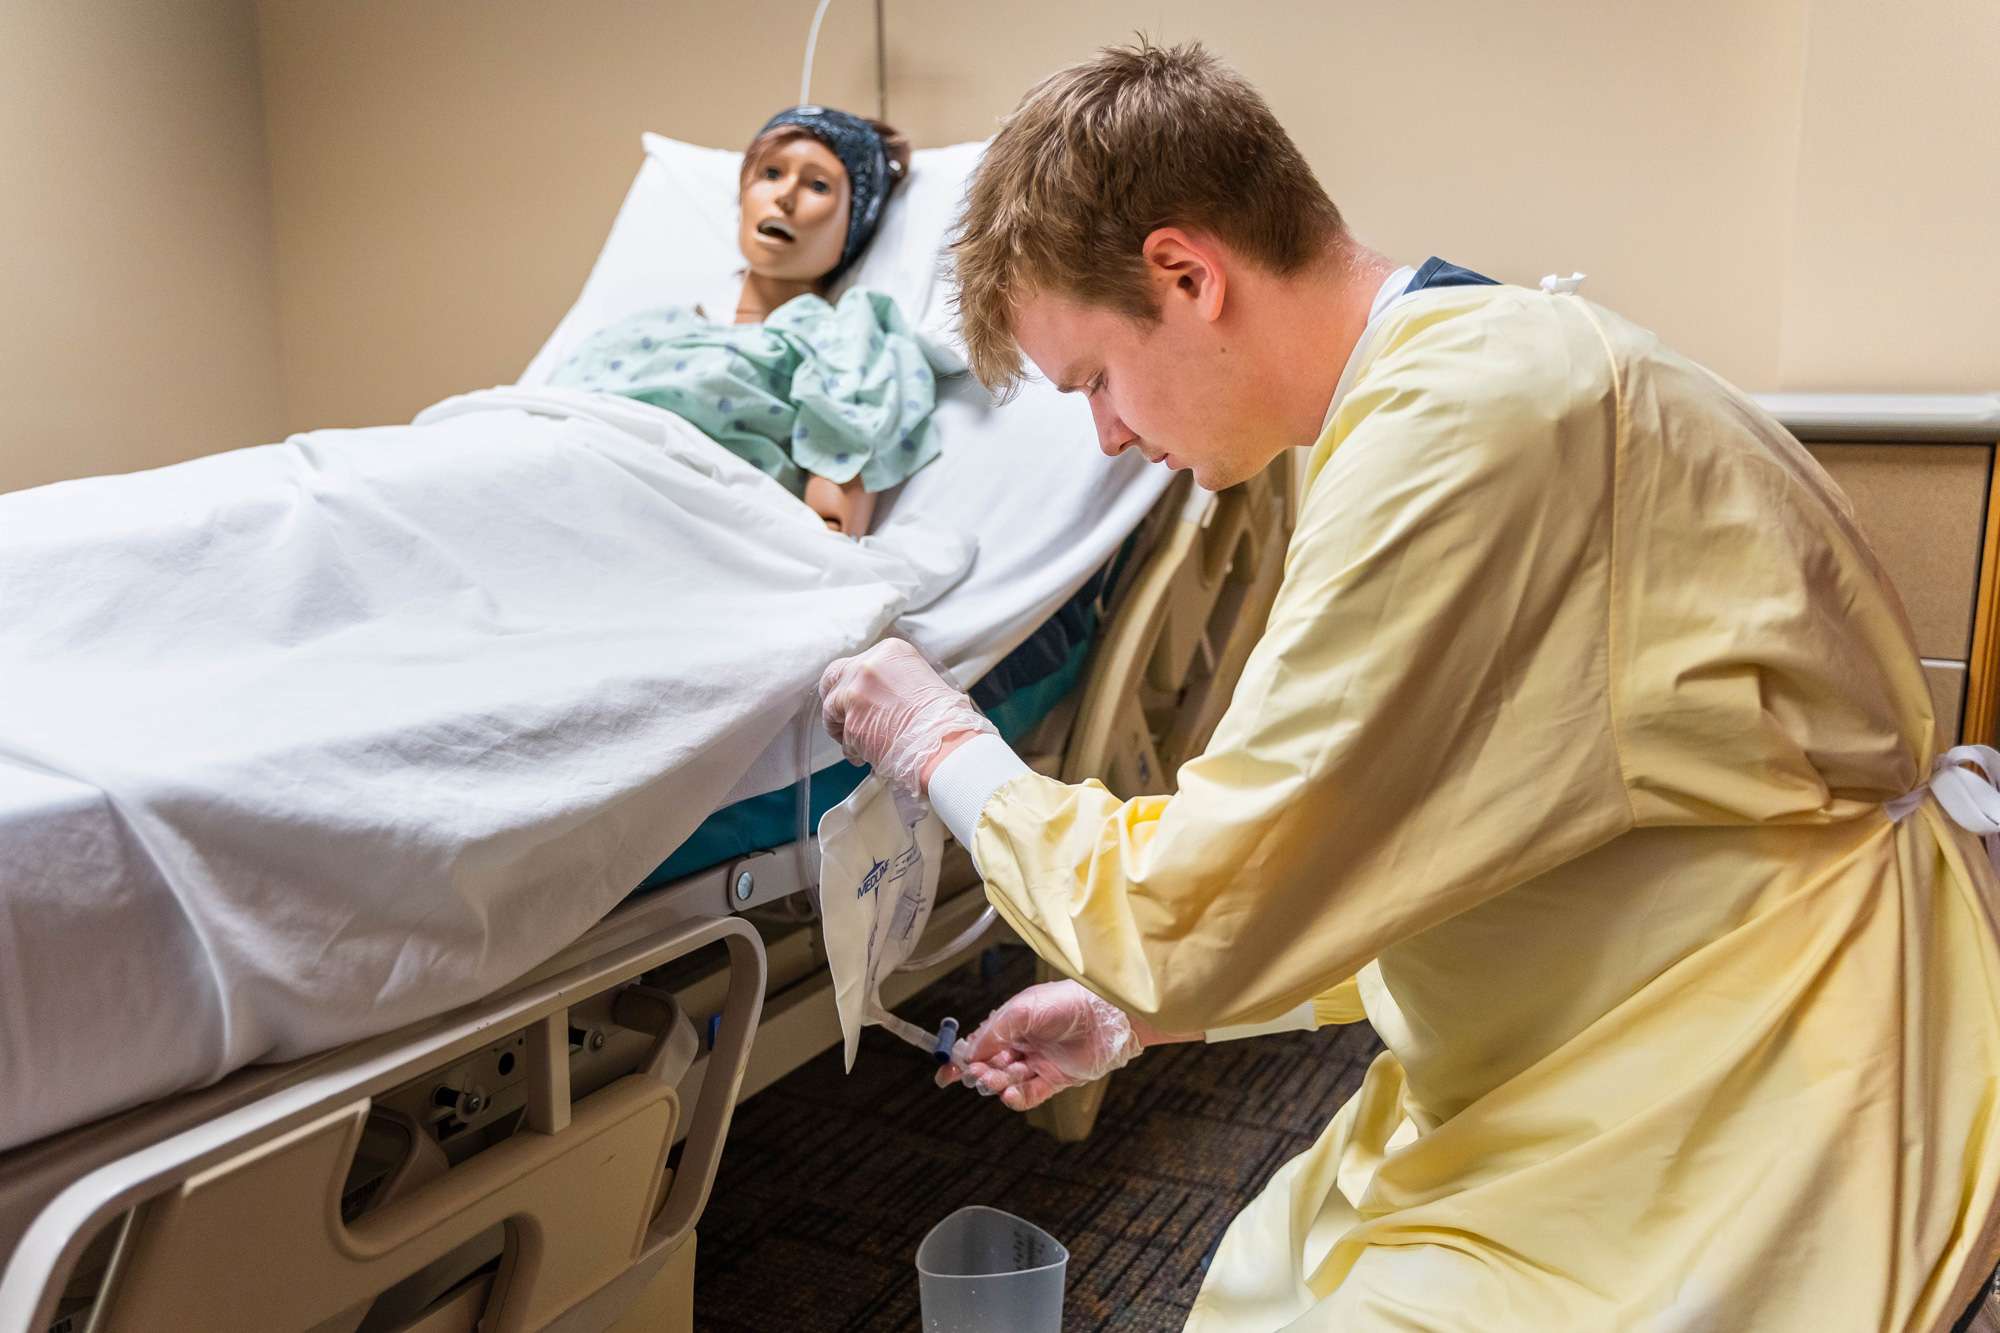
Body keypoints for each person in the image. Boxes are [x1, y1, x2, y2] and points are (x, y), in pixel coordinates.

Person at [818, 39, 2000, 1332]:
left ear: (1187, 273)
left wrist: (938, 740)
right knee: (1259, 1283)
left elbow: (1178, 911)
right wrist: (1137, 1021)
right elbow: (1448, 841)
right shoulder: (1453, 388)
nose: (1108, 434)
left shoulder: (1467, 436)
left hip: (1766, 1075)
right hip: (1624, 998)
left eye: (1096, 377)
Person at [553, 106, 945, 536]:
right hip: (551, 460)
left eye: (818, 185)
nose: (785, 196)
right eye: (771, 173)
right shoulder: (650, 326)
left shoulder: (841, 341)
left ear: (853, 226)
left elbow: (828, 530)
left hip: (646, 512)